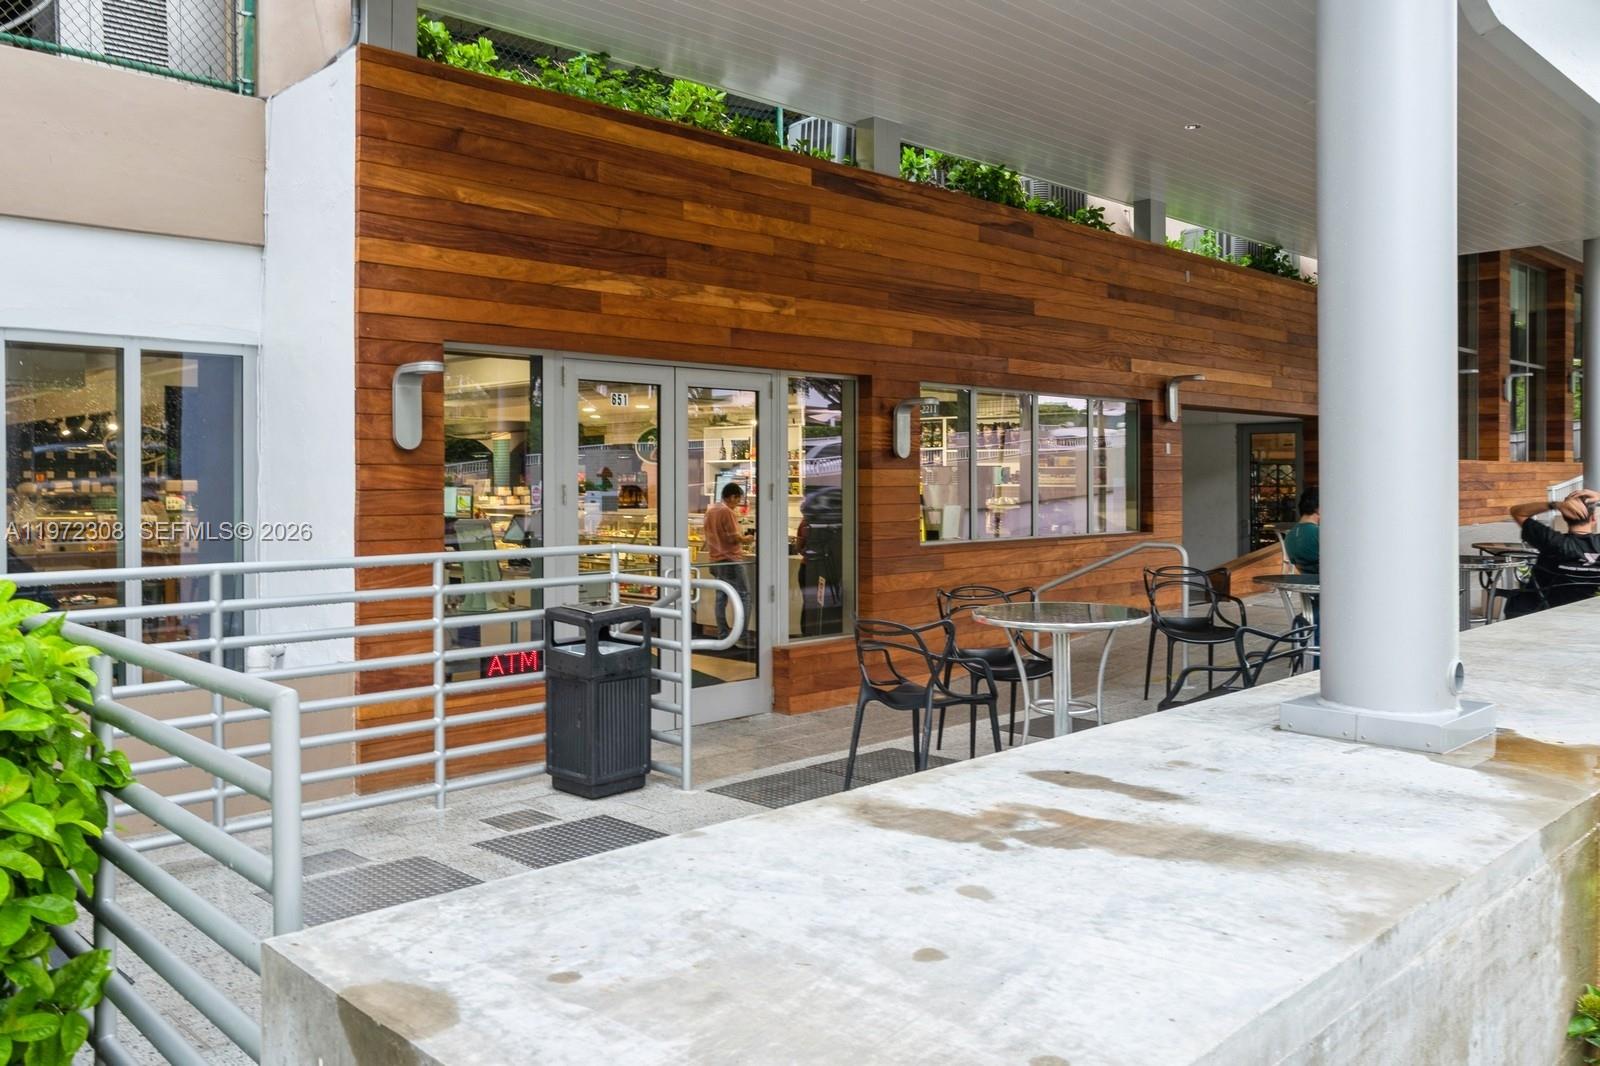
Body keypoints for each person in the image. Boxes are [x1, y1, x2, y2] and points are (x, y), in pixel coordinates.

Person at [1504, 489, 1600, 617]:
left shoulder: (1550, 540)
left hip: (1537, 611)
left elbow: (1517, 512)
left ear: (1565, 517)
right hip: (1582, 614)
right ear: (1593, 518)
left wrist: (1555, 505)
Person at [703, 482, 753, 647]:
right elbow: (733, 538)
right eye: (737, 498)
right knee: (745, 596)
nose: (737, 502)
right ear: (732, 496)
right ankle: (742, 636)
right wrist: (747, 539)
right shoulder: (727, 511)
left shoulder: (710, 510)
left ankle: (722, 635)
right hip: (731, 560)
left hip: (715, 559)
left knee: (721, 598)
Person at [1283, 487, 1320, 574]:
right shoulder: (1319, 533)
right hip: (1325, 584)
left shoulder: (1289, 536)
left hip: (1306, 583)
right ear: (1318, 508)